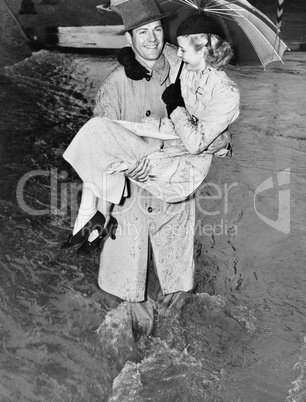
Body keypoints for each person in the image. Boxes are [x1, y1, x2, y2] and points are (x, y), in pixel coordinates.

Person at [61, 0, 240, 336]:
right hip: (132, 195)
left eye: (157, 29)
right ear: (129, 39)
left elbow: (213, 114)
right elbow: (102, 145)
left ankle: (175, 354)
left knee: (177, 288)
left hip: (173, 193)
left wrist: (224, 139)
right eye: (142, 32)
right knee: (131, 295)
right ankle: (133, 359)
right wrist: (128, 169)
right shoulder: (114, 83)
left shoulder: (183, 61)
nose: (152, 39)